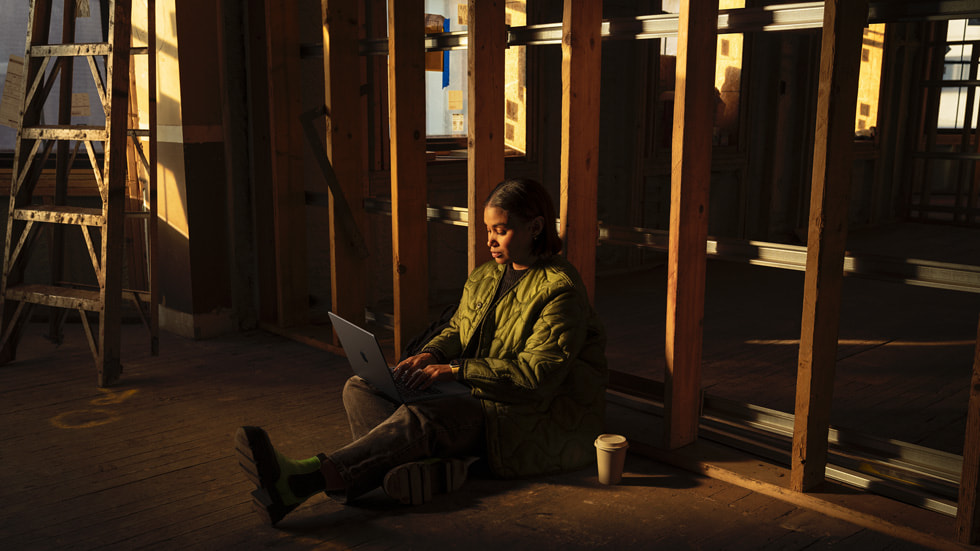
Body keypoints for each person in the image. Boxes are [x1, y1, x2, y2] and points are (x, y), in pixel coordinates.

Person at [235, 177, 607, 526]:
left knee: (423, 416)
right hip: (474, 391)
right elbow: (457, 329)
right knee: (360, 387)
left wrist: (456, 371)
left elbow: (535, 378)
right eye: (487, 230)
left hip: (520, 411)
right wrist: (431, 355)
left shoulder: (560, 290)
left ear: (536, 228)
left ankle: (303, 480)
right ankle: (427, 467)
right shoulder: (486, 275)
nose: (490, 241)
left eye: (500, 230)